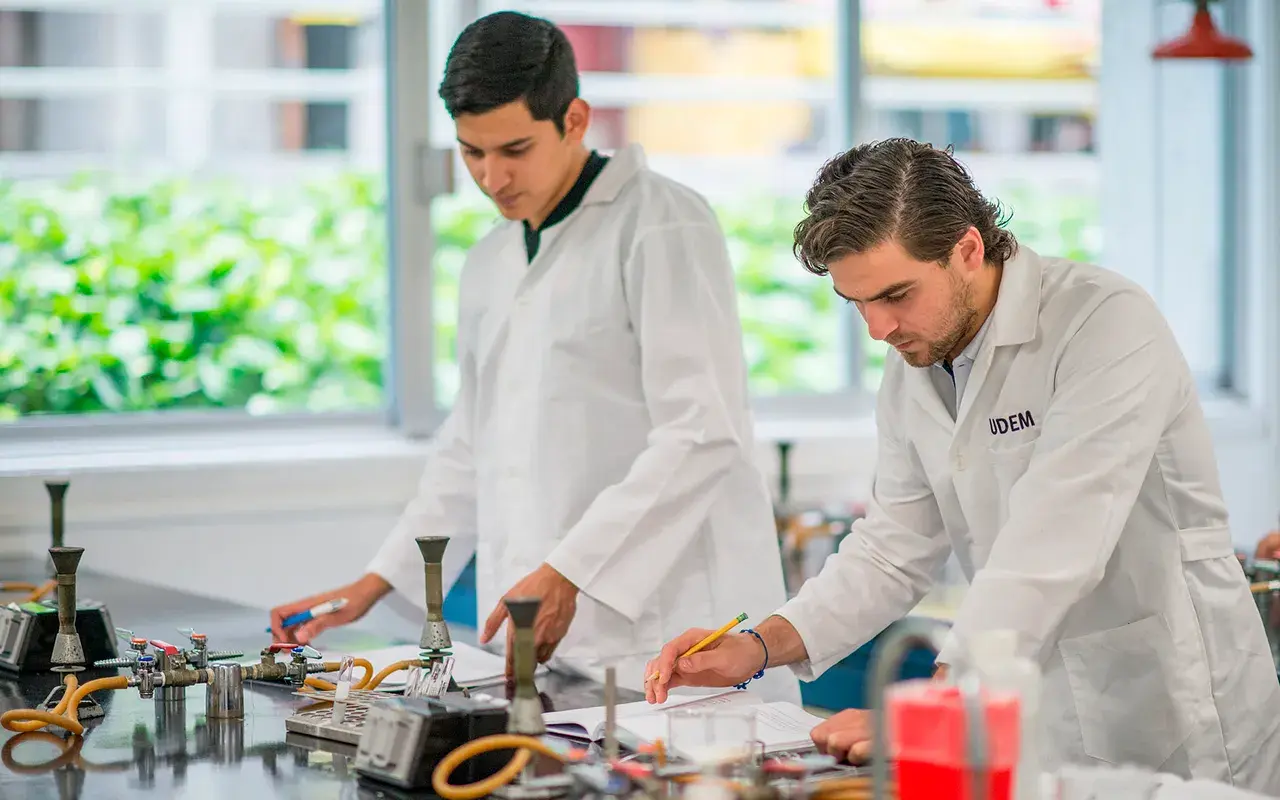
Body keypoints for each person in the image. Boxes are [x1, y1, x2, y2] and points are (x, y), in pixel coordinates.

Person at [644, 139, 1280, 793]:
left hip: (1175, 711)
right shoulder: (915, 365)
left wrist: (934, 711)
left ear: (968, 250)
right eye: (856, 302)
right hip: (1038, 712)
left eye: (895, 295)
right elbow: (892, 548)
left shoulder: (1104, 323)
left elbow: (1056, 541)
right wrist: (757, 644)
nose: (877, 329)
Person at [269, 10, 800, 704]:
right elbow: (469, 443)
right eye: (471, 153)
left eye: (514, 149)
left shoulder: (662, 223)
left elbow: (701, 433)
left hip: (672, 641)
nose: (492, 177)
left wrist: (570, 571)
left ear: (575, 119)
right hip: (544, 650)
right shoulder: (491, 260)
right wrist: (377, 583)